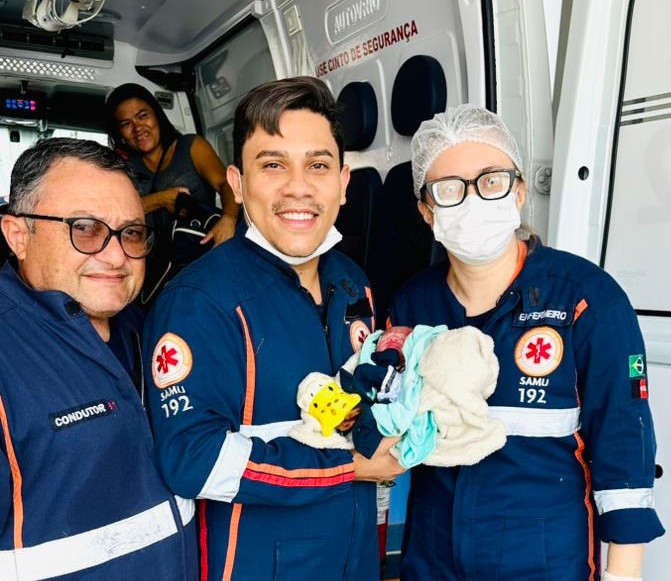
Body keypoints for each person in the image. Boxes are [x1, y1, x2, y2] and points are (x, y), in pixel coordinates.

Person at [388, 104, 665, 581]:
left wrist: (624, 573)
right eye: (449, 188)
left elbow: (623, 442)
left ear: (518, 191)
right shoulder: (413, 305)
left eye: (491, 180)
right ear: (427, 210)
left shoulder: (584, 298)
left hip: (543, 559)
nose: (473, 199)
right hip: (432, 558)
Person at [142, 76, 403, 581]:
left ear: (343, 183)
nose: (298, 187)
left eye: (318, 165)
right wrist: (347, 467)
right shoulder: (199, 301)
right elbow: (192, 459)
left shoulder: (354, 283)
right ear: (238, 184)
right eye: (273, 165)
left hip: (353, 557)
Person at [0, 138, 197, 580]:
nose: (115, 256)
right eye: (86, 228)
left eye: (132, 233)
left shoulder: (150, 331)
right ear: (18, 235)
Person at [105, 83, 240, 300]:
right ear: (119, 133)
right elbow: (113, 215)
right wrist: (160, 199)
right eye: (126, 123)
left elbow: (226, 184)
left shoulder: (190, 146)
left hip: (199, 262)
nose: (137, 127)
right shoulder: (122, 168)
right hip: (149, 274)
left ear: (157, 115)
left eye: (142, 116)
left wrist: (229, 218)